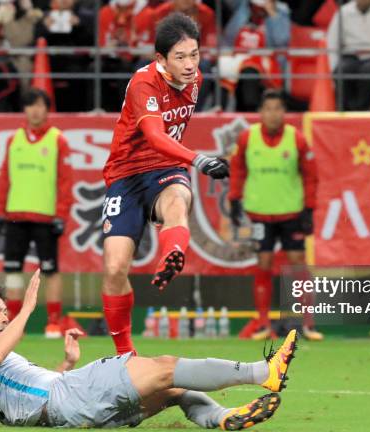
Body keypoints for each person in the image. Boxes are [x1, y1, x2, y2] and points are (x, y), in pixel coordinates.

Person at [0, 270, 297, 429]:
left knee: (173, 387)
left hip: (68, 414)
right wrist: (28, 308)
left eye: (7, 310)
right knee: (164, 366)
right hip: (67, 398)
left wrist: (66, 363)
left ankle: (223, 418)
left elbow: (22, 398)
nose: (6, 316)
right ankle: (263, 372)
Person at [101, 12, 229, 355]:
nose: (190, 64)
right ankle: (125, 355)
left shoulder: (195, 78)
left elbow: (164, 150)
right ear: (161, 59)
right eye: (180, 57)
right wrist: (200, 160)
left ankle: (173, 251)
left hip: (166, 168)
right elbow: (155, 137)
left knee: (177, 201)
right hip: (126, 174)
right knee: (114, 268)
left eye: (195, 54)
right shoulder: (144, 84)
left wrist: (187, 163)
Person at [228, 89, 322, 341]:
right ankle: (262, 324)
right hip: (259, 212)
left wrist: (309, 208)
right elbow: (237, 170)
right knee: (264, 263)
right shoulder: (248, 138)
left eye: (278, 109)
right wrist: (234, 200)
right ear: (260, 112)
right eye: (268, 109)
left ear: (284, 112)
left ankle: (307, 323)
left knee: (297, 262)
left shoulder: (297, 139)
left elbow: (311, 176)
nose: (273, 114)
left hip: (291, 211)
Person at [0, 88, 72, 339]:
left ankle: (52, 322)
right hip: (16, 214)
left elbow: (65, 180)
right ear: (24, 110)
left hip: (46, 217)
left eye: (40, 105)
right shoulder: (13, 140)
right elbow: (5, 177)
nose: (35, 110)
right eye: (30, 105)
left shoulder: (57, 139)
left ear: (47, 109)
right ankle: (13, 324)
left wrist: (61, 214)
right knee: (13, 270)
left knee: (50, 271)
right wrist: (0, 211)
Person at [221, 0, 291, 111]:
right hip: (238, 58)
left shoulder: (281, 10)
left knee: (249, 70)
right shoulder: (243, 6)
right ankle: (220, 109)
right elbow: (229, 38)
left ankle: (251, 110)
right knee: (221, 68)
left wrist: (273, 14)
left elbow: (281, 41)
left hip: (266, 60)